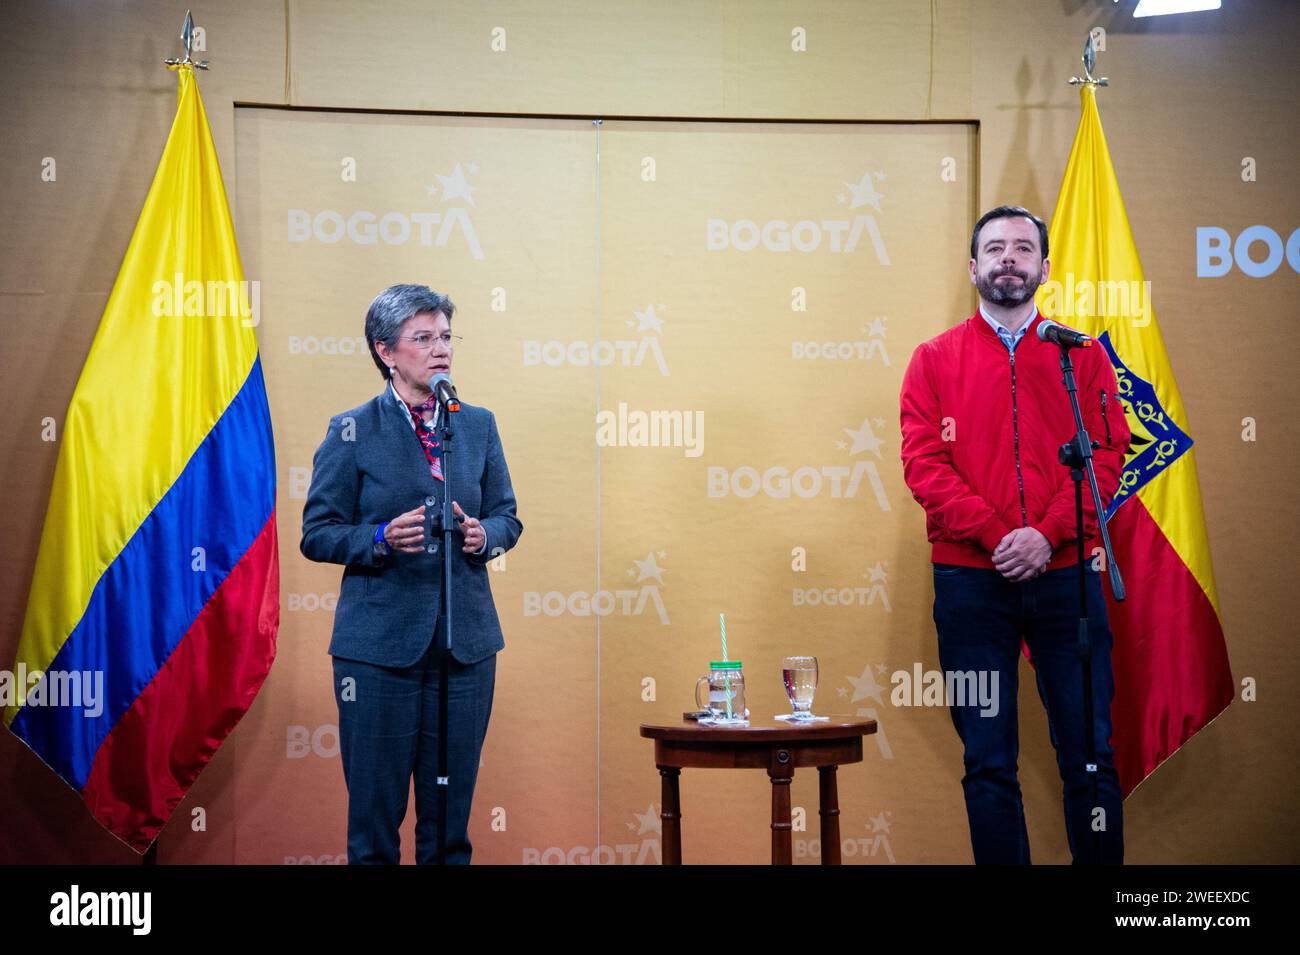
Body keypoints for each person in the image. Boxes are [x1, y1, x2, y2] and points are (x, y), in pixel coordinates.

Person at [898, 206, 1131, 864]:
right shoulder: (933, 359)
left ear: (1044, 268)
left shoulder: (1081, 356)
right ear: (973, 268)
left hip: (1068, 580)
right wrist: (1005, 535)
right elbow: (924, 464)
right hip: (971, 583)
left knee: (1090, 760)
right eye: (994, 248)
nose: (1008, 258)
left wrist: (1048, 534)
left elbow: (1109, 454)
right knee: (988, 762)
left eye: (1022, 248)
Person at [301, 283, 522, 864]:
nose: (440, 348)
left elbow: (507, 516)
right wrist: (377, 537)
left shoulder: (476, 424)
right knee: (375, 829)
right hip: (378, 653)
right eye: (422, 338)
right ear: (386, 352)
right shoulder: (350, 429)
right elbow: (317, 532)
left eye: (445, 336)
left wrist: (484, 535)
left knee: (449, 829)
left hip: (465, 647)